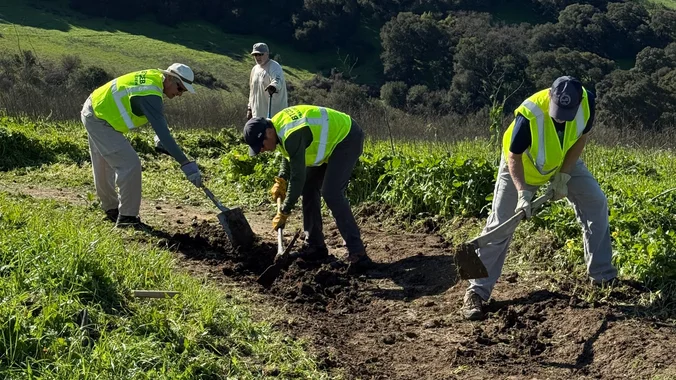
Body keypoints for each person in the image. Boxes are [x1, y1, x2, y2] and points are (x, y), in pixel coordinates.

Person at [461, 76, 618, 320]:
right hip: (523, 167)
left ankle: (603, 277)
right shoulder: (530, 114)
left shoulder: (588, 103)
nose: (560, 116)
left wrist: (564, 176)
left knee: (595, 201)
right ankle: (476, 293)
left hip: (562, 161)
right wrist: (523, 193)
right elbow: (514, 156)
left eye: (567, 112)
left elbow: (581, 138)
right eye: (557, 110)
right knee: (500, 225)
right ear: (550, 97)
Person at [242, 105, 372, 272]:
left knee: (331, 193)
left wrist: (285, 211)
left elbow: (298, 178)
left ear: (268, 133)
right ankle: (315, 246)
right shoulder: (277, 126)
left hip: (346, 138)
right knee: (309, 187)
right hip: (329, 144)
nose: (261, 150)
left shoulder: (291, 133)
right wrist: (281, 178)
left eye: (261, 145)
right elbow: (288, 154)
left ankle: (358, 253)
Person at [80, 63, 202, 228]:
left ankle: (111, 209)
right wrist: (186, 165)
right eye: (180, 88)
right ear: (170, 78)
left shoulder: (153, 80)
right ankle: (127, 218)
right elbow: (164, 133)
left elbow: (156, 123)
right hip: (99, 117)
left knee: (103, 163)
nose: (180, 94)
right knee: (129, 164)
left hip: (95, 107)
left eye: (184, 92)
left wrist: (160, 139)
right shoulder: (150, 93)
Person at [247, 42, 288, 119]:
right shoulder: (254, 69)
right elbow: (252, 90)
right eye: (255, 55)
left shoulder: (274, 66)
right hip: (257, 113)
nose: (257, 57)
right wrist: (250, 108)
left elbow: (277, 80)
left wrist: (273, 86)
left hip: (274, 114)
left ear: (267, 54)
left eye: (260, 54)